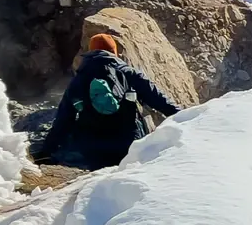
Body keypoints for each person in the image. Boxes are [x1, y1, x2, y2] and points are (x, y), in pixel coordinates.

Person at [32, 33, 181, 170]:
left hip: (91, 150)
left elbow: (63, 120)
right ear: (114, 52)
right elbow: (160, 101)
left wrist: (45, 152)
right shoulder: (130, 74)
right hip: (128, 144)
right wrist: (190, 118)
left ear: (90, 53)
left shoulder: (78, 80)